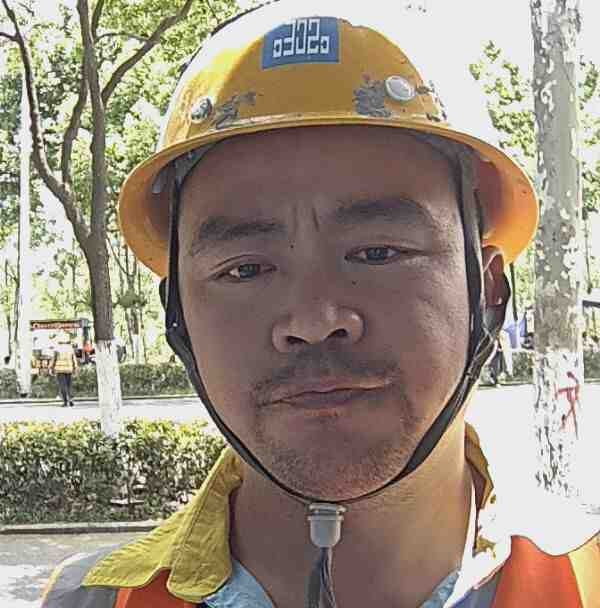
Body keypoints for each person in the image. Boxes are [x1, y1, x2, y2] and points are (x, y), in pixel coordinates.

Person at [41, 3, 600, 607]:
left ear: (488, 292)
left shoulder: (583, 580)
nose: (312, 321)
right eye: (246, 269)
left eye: (378, 253)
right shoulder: (90, 601)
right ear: (179, 316)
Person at [49, 333, 78, 407]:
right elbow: (74, 359)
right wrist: (75, 368)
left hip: (59, 370)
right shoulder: (70, 349)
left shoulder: (57, 349)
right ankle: (70, 399)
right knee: (69, 385)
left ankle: (65, 401)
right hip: (69, 369)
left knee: (62, 385)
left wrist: (51, 368)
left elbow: (53, 359)